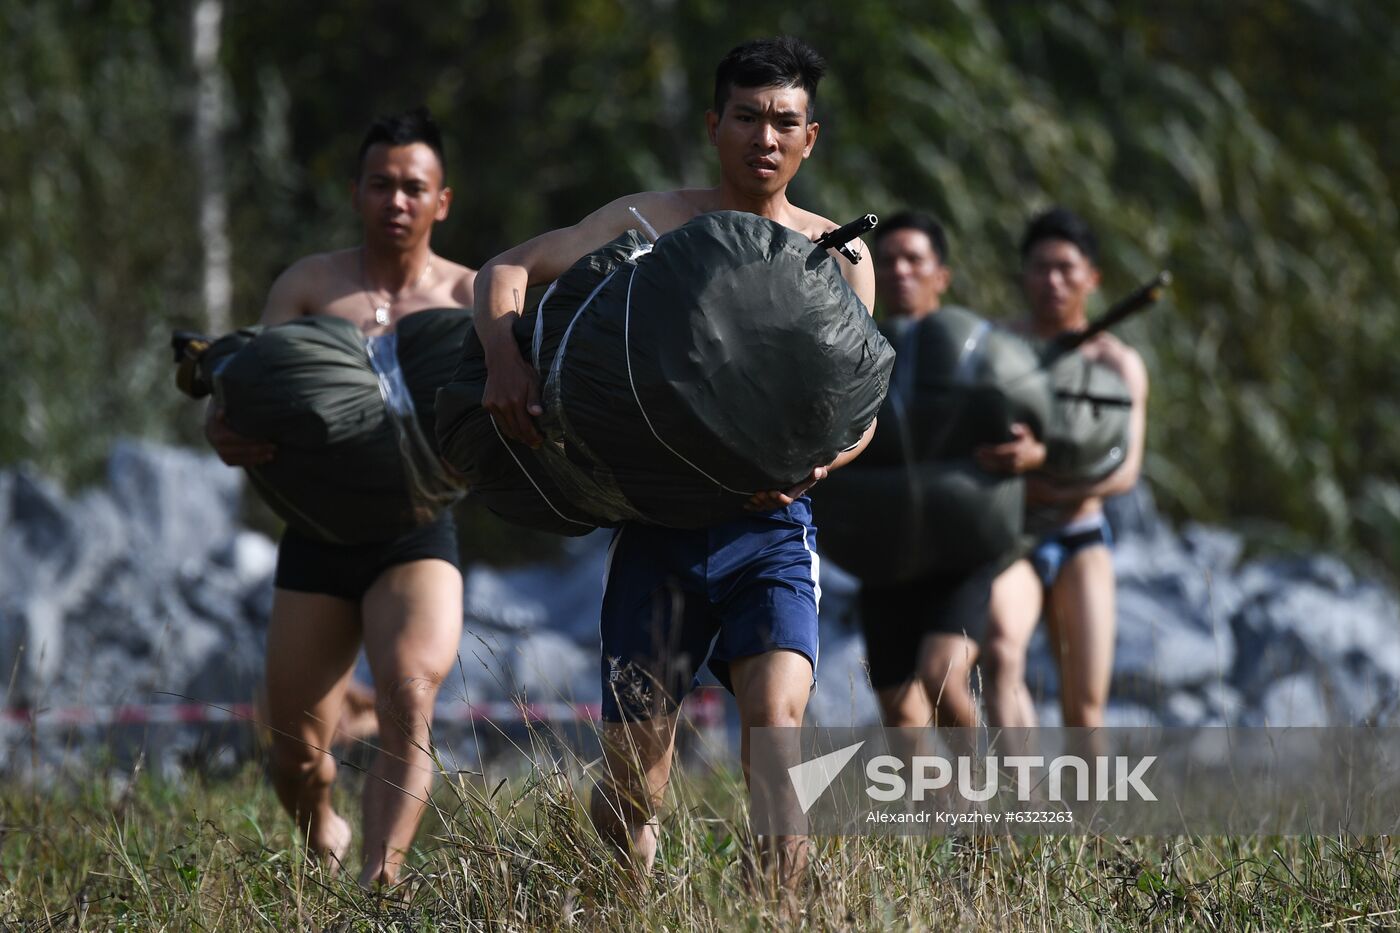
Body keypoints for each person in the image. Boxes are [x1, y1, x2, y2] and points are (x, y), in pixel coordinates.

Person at [473, 37, 875, 891]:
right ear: (713, 125)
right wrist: (506, 357)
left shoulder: (840, 254)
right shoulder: (648, 222)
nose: (764, 138)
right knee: (635, 780)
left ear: (811, 139)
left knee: (777, 729)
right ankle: (626, 904)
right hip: (658, 534)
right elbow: (507, 268)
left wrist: (822, 466)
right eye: (747, 117)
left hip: (770, 529)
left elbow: (860, 408)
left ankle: (780, 912)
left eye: (784, 122)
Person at [205, 108, 476, 887]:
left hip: (416, 534)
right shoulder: (308, 285)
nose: (397, 200)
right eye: (381, 184)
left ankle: (378, 881)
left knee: (410, 694)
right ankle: (322, 817)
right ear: (357, 193)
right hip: (317, 535)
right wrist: (220, 427)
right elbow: (248, 391)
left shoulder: (471, 295)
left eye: (413, 187)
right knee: (293, 751)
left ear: (442, 200)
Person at [860, 211, 1045, 729]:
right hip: (885, 549)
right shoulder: (854, 347)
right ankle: (949, 810)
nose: (900, 271)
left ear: (941, 275)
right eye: (889, 260)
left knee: (942, 676)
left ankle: (982, 796)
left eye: (914, 260)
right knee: (899, 709)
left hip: (960, 547)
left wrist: (1031, 451)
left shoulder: (979, 352)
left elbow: (1032, 427)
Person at [981, 207, 1149, 728]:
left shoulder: (1115, 363)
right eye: (1040, 267)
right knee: (1001, 656)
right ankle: (1030, 802)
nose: (1052, 281)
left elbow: (1125, 471)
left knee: (1085, 707)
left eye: (1066, 269)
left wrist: (1047, 471)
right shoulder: (994, 345)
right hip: (1016, 534)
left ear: (1092, 278)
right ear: (1023, 274)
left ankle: (1087, 812)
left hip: (1080, 536)